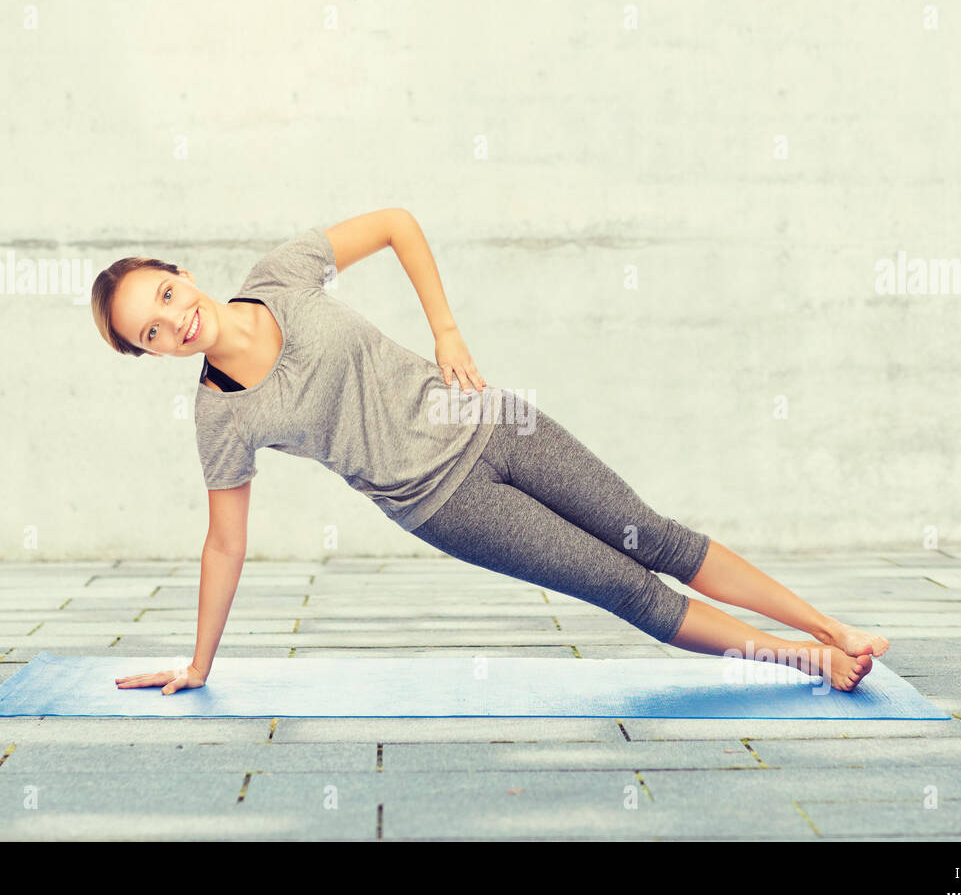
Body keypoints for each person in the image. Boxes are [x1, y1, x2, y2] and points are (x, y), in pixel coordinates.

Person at [91, 208, 889, 699]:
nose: (173, 321)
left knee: (656, 536)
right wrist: (198, 664)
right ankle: (805, 661)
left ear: (182, 274)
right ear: (151, 355)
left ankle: (833, 629)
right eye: (149, 333)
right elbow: (224, 542)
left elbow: (397, 222)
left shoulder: (282, 275)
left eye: (164, 296)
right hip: (445, 505)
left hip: (496, 420)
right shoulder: (219, 417)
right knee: (626, 589)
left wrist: (445, 329)